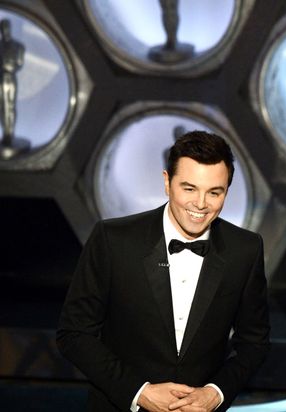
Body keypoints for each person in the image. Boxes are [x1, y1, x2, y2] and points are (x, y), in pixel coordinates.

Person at [57, 130, 270, 412]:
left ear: (227, 191)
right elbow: (74, 334)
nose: (201, 204)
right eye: (189, 188)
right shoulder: (113, 239)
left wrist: (215, 393)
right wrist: (138, 391)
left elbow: (254, 343)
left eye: (214, 192)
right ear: (167, 183)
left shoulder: (245, 250)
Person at [0, 19, 24, 145]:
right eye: (2, 28)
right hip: (1, 79)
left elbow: (20, 64)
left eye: (6, 27)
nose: (4, 30)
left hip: (11, 78)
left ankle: (11, 133)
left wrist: (9, 68)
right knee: (2, 107)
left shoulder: (19, 46)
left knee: (11, 106)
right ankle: (6, 134)